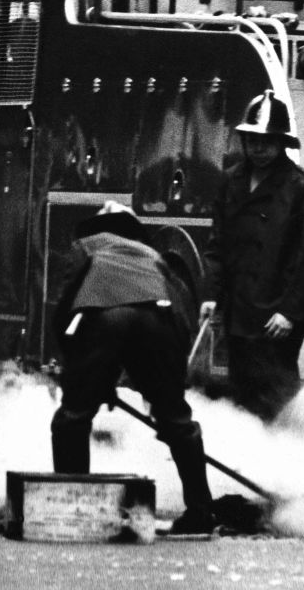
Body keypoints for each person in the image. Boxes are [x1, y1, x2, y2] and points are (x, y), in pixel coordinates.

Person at [50, 201, 216, 535]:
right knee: (177, 421)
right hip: (159, 320)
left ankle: (77, 510)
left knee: (73, 418)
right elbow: (180, 317)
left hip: (104, 318)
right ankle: (201, 511)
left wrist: (81, 378)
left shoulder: (86, 246)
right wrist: (169, 389)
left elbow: (65, 309)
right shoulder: (152, 256)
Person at [201, 90, 304, 423]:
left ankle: (280, 465)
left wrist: (289, 311)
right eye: (253, 141)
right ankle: (247, 461)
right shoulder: (231, 181)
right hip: (239, 310)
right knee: (241, 391)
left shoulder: (303, 187)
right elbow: (217, 243)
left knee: (276, 394)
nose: (259, 149)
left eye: (267, 142)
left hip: (279, 315)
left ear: (281, 143)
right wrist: (211, 295)